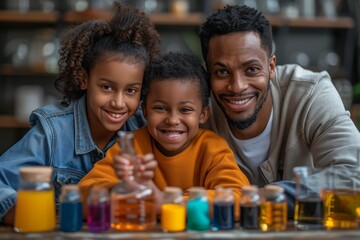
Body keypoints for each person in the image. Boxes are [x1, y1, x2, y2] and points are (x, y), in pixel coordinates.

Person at [0, 2, 160, 225]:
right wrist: (15, 212)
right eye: (106, 87)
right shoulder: (53, 132)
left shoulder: (143, 130)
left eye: (131, 90)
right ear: (84, 79)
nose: (118, 102)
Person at [198, 5, 360, 218]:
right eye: (221, 72)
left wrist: (267, 196)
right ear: (208, 75)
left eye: (252, 70)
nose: (237, 86)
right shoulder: (195, 110)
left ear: (271, 67)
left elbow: (354, 175)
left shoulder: (310, 94)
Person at [78, 52, 250, 217]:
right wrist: (128, 190)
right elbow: (82, 195)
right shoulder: (133, 146)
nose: (173, 120)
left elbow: (241, 198)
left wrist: (164, 202)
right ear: (145, 110)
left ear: (203, 114)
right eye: (160, 108)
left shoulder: (212, 148)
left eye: (185, 110)